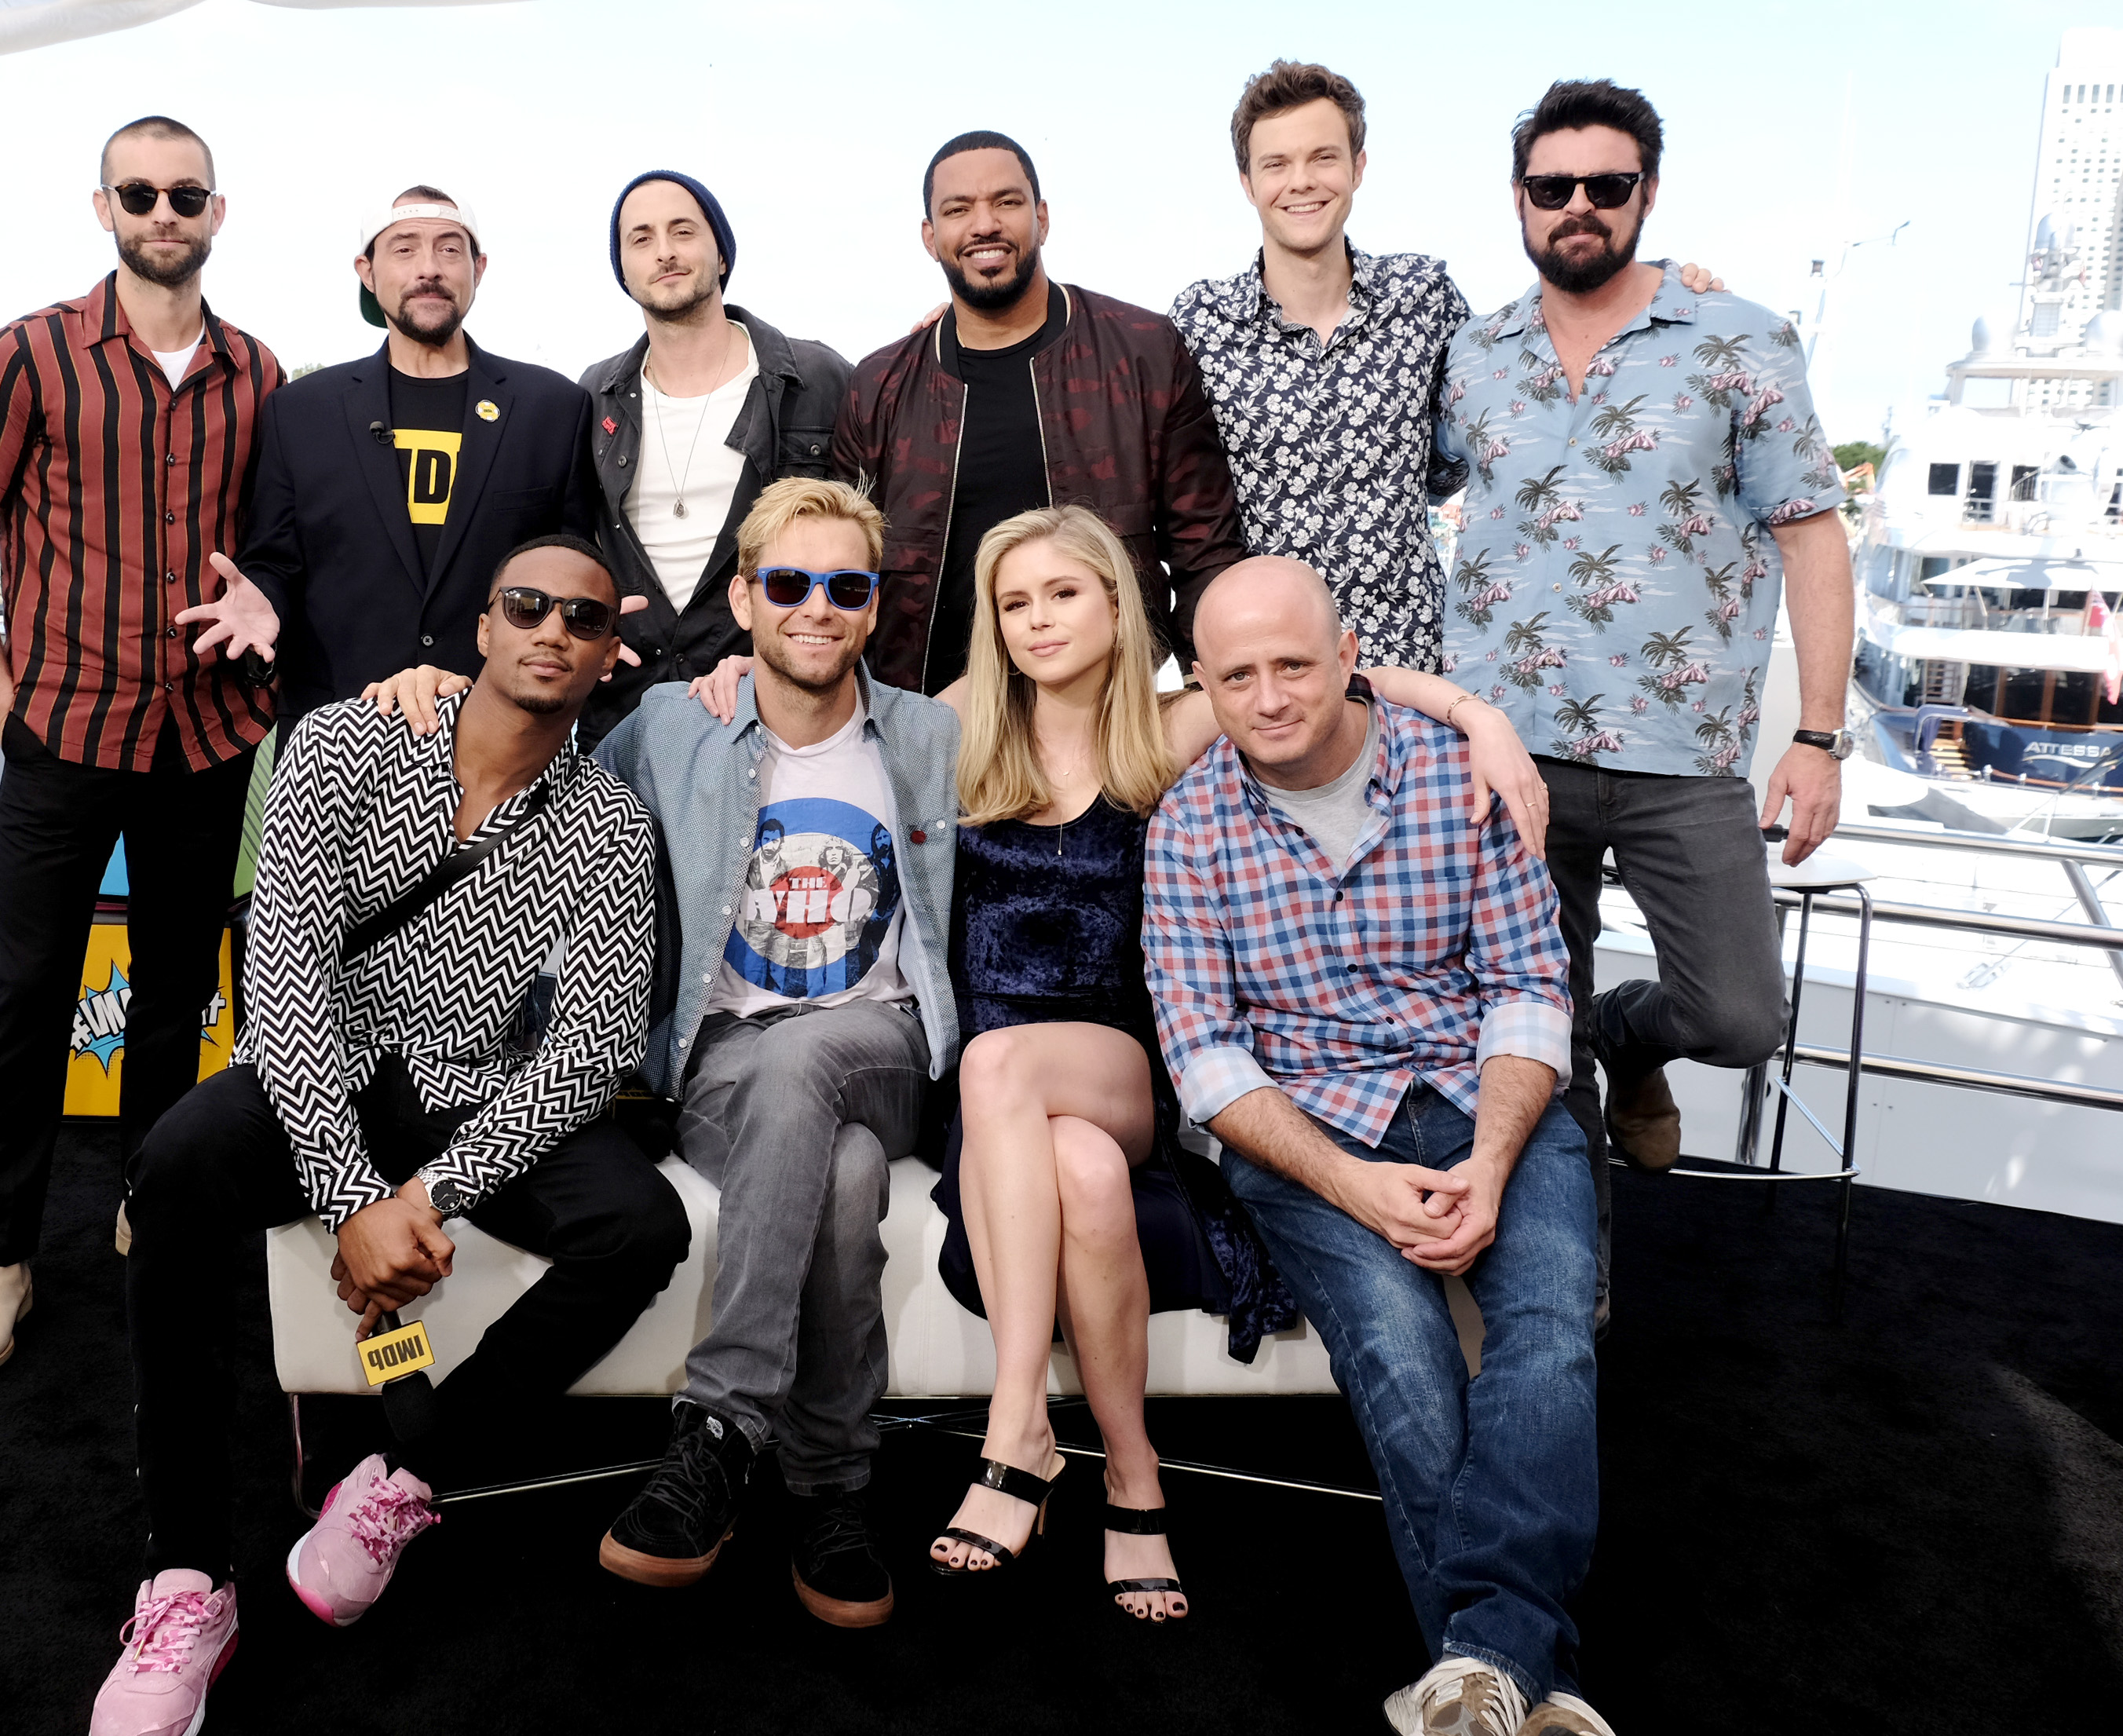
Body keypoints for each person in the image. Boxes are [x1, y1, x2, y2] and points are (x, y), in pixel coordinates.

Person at [681, 506, 1549, 1624]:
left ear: (1114, 603)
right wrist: (726, 671)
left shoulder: (1178, 723)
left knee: (1011, 1071)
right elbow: (815, 696)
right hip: (996, 1101)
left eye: (1064, 593)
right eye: (1015, 601)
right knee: (1073, 1165)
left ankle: (1017, 1431)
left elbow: (1345, 675)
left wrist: (1480, 714)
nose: (1039, 619)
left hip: (1127, 1060)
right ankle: (1135, 1478)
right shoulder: (949, 729)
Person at [86, 536, 681, 1736]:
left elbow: (592, 1046)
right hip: (326, 1069)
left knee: (639, 1222)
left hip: (473, 1087)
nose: (553, 628)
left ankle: (407, 1470)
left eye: (583, 615)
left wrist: (437, 1190)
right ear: (482, 624)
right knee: (177, 1159)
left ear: (609, 655)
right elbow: (287, 974)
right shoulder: (345, 743)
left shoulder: (612, 825)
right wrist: (356, 1191)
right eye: (528, 604)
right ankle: (189, 1576)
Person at [1144, 556, 1606, 1736]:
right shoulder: (1189, 822)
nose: (1269, 696)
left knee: (1550, 1317)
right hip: (1307, 1128)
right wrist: (1355, 1182)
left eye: (1293, 663)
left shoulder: (1461, 775)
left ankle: (1477, 1668)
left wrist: (1494, 1160)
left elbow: (1526, 984)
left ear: (1352, 656)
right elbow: (1205, 1059)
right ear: (1203, 682)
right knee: (1401, 1348)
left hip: (1480, 1092)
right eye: (1236, 675)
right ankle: (1518, 1670)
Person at [1434, 80, 1852, 1318]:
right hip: (1507, 750)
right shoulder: (1473, 354)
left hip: (1685, 751)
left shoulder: (1740, 338)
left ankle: (1633, 1033)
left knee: (1736, 1012)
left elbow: (1814, 539)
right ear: (1518, 200)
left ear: (1646, 195)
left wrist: (1819, 735)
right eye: (1551, 187)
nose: (1577, 207)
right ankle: (1579, 1282)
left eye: (1605, 186)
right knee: (1528, 1036)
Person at [0, 115, 283, 1379]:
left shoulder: (260, 370)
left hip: (207, 736)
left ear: (217, 211)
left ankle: (150, 1193)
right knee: (29, 998)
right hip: (65, 731)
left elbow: (278, 548)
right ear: (105, 208)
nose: (164, 210)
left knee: (180, 996)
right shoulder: (24, 355)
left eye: (186, 192)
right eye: (140, 191)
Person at [593, 475, 957, 1629]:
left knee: (816, 1068)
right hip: (724, 1056)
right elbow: (544, 792)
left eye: (845, 586)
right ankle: (832, 1485)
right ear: (744, 597)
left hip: (887, 1042)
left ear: (873, 605)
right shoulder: (670, 723)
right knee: (844, 1175)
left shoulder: (931, 732)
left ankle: (719, 1424)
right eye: (789, 583)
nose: (818, 607)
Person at [1173, 61, 1725, 673]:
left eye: (1323, 158)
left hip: (1416, 668)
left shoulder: (1425, 296)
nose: (1301, 182)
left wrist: (1662, 286)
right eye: (1276, 163)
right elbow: (1185, 506)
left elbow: (1536, 358)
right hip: (1268, 676)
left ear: (1358, 167)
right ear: (1247, 182)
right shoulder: (1200, 322)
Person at [830, 130, 1245, 693]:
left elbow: (1206, 552)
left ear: (1042, 218)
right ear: (930, 236)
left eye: (1006, 202)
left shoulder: (1142, 353)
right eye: (958, 209)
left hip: (1107, 721)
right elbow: (841, 571)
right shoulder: (879, 387)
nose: (984, 224)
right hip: (930, 728)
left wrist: (1220, 694)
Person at [184, 185, 597, 720]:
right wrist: (263, 598)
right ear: (367, 270)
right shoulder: (300, 413)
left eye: (450, 249)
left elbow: (575, 565)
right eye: (404, 249)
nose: (429, 268)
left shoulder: (553, 409)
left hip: (505, 735)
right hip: (338, 735)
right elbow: (275, 561)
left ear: (479, 267)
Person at [576, 170, 852, 743]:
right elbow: (571, 543)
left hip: (772, 707)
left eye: (683, 231)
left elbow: (868, 541)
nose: (666, 252)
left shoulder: (816, 379)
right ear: (623, 271)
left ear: (721, 254)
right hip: (627, 715)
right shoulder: (592, 394)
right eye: (642, 239)